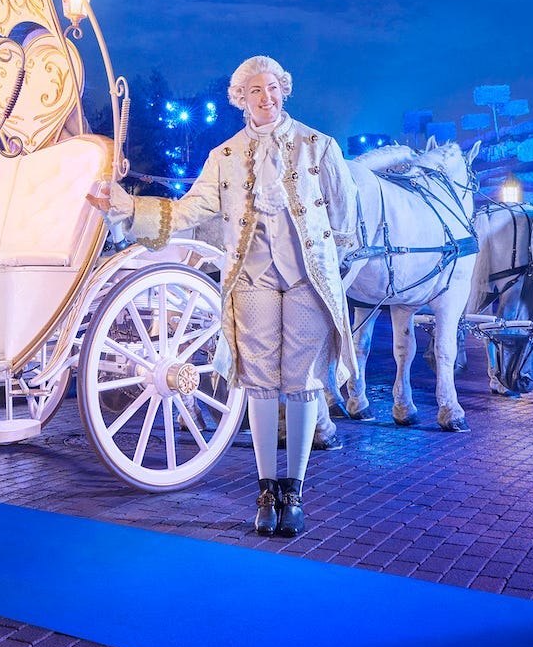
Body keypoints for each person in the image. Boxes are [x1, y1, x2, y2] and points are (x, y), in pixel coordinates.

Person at [87, 55, 359, 536]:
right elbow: (189, 210)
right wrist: (130, 208)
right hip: (251, 281)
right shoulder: (225, 157)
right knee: (258, 385)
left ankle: (293, 491)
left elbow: (344, 218)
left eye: (272, 87)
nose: (266, 97)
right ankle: (266, 488)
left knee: (300, 386)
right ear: (240, 99)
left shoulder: (320, 147)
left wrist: (328, 262)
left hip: (306, 283)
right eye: (255, 90)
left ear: (285, 90)